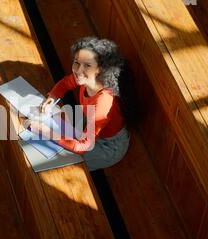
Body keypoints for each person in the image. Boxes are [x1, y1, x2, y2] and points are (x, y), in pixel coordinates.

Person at [29, 36, 132, 171]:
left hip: (108, 146)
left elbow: (82, 146)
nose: (77, 70)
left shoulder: (103, 103)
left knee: (61, 165)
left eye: (87, 65)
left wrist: (46, 132)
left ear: (100, 69)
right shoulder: (84, 79)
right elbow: (66, 83)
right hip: (89, 124)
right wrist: (53, 96)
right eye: (76, 62)